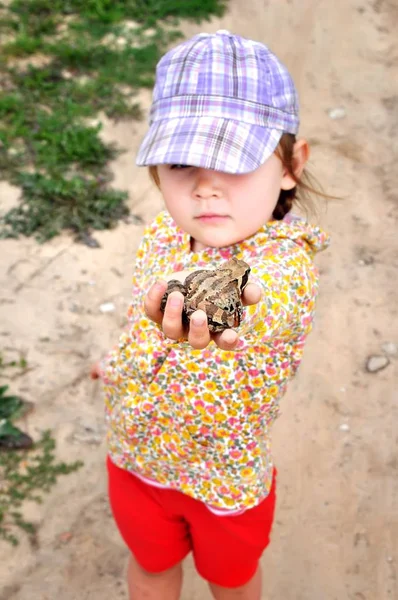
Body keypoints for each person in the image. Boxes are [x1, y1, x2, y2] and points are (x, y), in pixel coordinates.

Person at [91, 31, 330, 600]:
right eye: (181, 162)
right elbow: (139, 319)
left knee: (232, 581)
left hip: (224, 478)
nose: (204, 186)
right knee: (150, 569)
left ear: (291, 165)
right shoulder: (163, 233)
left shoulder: (285, 261)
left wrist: (192, 297)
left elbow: (250, 298)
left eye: (236, 160)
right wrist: (121, 359)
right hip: (135, 456)